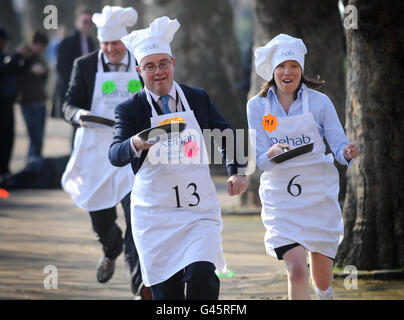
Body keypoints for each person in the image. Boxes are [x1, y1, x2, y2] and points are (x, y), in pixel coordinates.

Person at [109, 16, 248, 300]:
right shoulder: (130, 109)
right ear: (139, 70)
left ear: (173, 63)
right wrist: (137, 141)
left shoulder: (197, 98)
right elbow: (115, 154)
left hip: (198, 213)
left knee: (202, 276)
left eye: (162, 64)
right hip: (155, 218)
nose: (158, 72)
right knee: (167, 295)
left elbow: (227, 134)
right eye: (149, 66)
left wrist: (236, 171)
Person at [246, 34, 359, 300]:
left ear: (301, 70)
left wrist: (347, 152)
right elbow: (260, 160)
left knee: (321, 282)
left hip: (318, 195)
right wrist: (272, 153)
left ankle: (324, 295)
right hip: (281, 198)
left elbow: (339, 146)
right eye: (282, 66)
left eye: (294, 66)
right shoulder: (257, 106)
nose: (288, 72)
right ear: (273, 71)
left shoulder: (320, 103)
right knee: (297, 270)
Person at [61, 6, 150, 299]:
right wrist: (79, 115)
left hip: (134, 153)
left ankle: (140, 287)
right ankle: (110, 248)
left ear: (125, 42)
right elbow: (68, 104)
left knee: (136, 219)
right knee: (100, 218)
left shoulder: (142, 62)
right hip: (96, 153)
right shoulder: (84, 65)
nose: (111, 49)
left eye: (116, 43)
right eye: (106, 44)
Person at [16, 31, 49, 165]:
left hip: (40, 100)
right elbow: (16, 78)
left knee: (39, 138)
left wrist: (44, 72)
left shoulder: (39, 58)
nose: (41, 50)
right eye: (40, 47)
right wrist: (31, 71)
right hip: (28, 102)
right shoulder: (23, 57)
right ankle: (32, 166)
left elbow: (44, 78)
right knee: (34, 138)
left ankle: (36, 166)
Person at [0, 27, 26, 184]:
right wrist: (16, 55)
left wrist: (24, 57)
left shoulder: (6, 56)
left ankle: (4, 169)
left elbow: (18, 69)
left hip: (7, 103)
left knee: (8, 137)